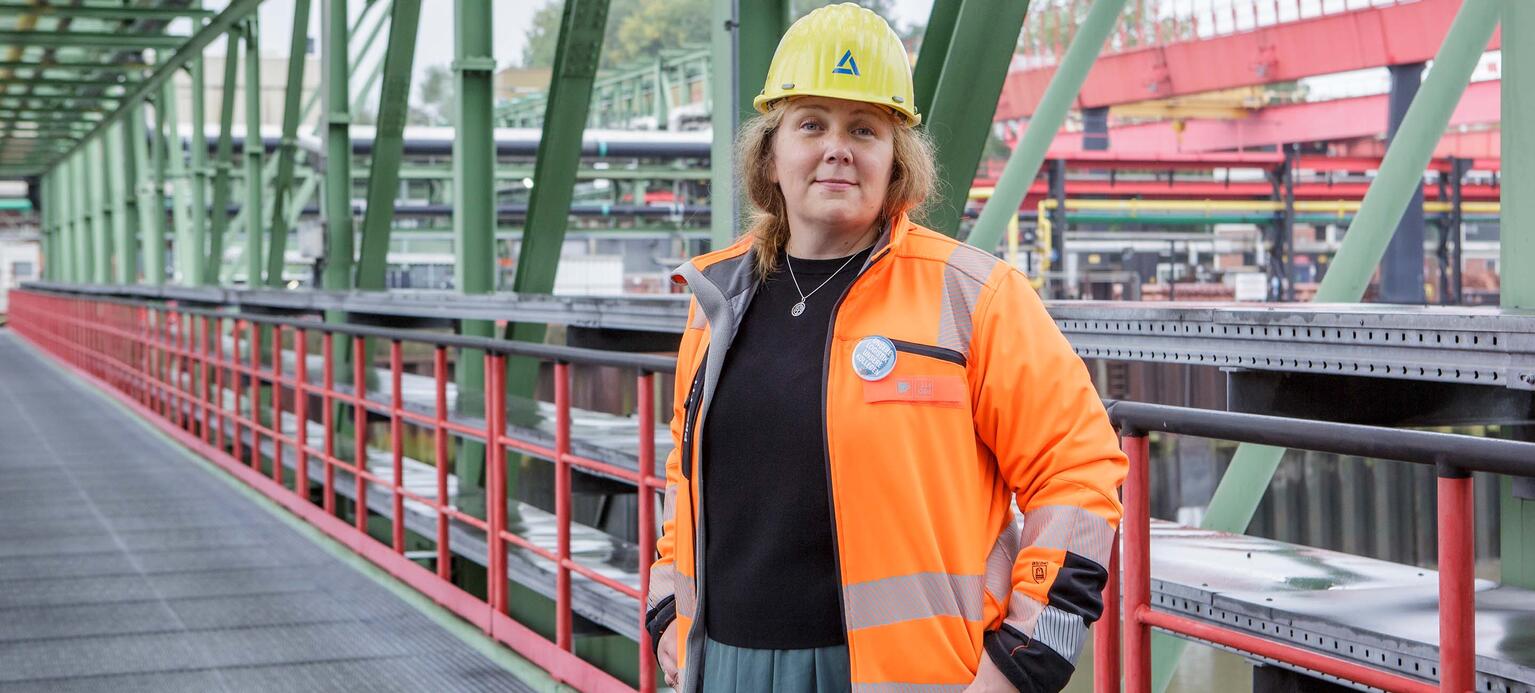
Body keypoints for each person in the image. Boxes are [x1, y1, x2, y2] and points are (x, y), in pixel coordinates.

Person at [644, 4, 1127, 691]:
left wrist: (1023, 659)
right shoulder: (719, 298)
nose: (837, 147)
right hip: (725, 663)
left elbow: (1078, 471)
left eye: (864, 129)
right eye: (811, 124)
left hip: (910, 677)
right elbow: (684, 468)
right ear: (770, 154)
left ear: (894, 160)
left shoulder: (973, 296)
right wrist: (669, 600)